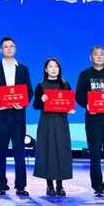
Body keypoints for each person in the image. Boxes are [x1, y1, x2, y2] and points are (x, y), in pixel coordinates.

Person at [0, 37, 34, 197]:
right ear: (1, 50)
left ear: (15, 49)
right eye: (5, 46)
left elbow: (29, 91)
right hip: (1, 116)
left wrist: (24, 102)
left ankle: (21, 186)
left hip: (18, 116)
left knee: (19, 152)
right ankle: (1, 184)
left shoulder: (23, 69)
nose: (8, 48)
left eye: (11, 46)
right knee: (1, 151)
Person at [75, 46, 104, 198]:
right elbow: (79, 95)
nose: (99, 56)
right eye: (96, 54)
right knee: (94, 154)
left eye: (102, 54)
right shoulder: (85, 75)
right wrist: (87, 105)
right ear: (91, 57)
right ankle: (97, 186)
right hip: (93, 120)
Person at [32, 58, 74, 197]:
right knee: (47, 152)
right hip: (46, 121)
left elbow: (68, 103)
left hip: (61, 121)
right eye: (50, 66)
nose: (54, 69)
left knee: (61, 152)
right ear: (46, 69)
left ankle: (60, 185)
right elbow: (35, 105)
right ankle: (49, 185)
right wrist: (41, 99)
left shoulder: (65, 85)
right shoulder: (40, 86)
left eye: (56, 66)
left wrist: (70, 109)